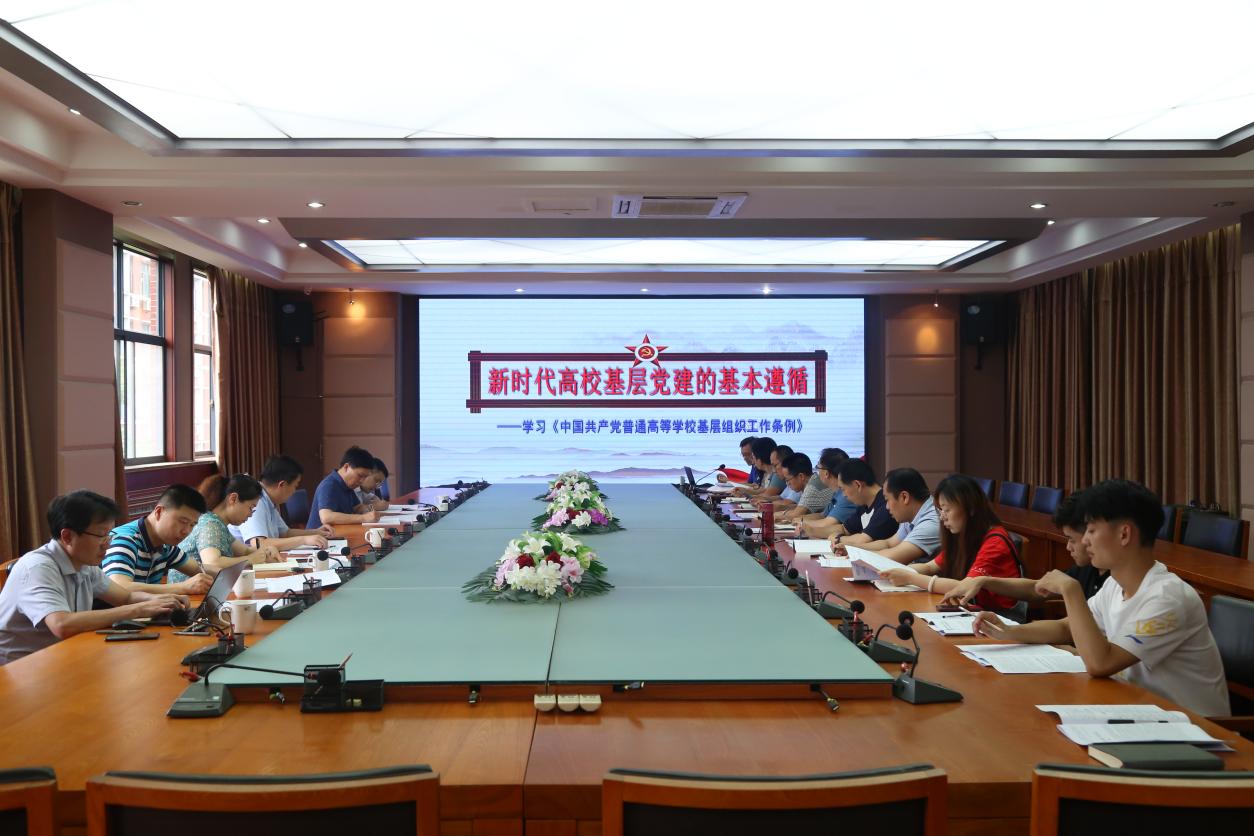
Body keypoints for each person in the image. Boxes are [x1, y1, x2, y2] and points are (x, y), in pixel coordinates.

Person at [973, 480, 1229, 717]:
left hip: (1194, 730)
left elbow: (1101, 663)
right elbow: (1066, 627)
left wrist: (1070, 590)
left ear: (1124, 534)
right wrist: (1008, 631)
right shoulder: (1114, 586)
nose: (1085, 540)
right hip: (1141, 712)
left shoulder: (1168, 598)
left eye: (1092, 530)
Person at [0, 491, 187, 665]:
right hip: (19, 670)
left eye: (109, 535)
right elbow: (62, 624)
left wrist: (163, 601)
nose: (107, 544)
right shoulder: (38, 568)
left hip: (62, 658)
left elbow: (126, 597)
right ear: (67, 536)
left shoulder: (84, 564)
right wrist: (138, 610)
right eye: (101, 535)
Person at [879, 474, 1022, 617]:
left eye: (947, 510)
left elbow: (964, 588)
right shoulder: (965, 535)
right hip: (975, 610)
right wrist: (897, 572)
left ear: (971, 508)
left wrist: (910, 578)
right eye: (940, 510)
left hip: (1002, 617)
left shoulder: (995, 542)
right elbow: (930, 567)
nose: (942, 517)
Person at [940, 488, 1108, 607]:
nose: (1068, 547)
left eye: (1071, 539)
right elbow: (1036, 589)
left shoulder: (1113, 581)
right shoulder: (1085, 569)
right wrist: (984, 581)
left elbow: (1068, 628)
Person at [103, 485, 213, 594]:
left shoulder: (165, 545)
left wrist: (223, 575)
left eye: (192, 525)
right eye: (183, 522)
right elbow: (120, 586)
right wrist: (183, 587)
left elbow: (197, 569)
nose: (186, 531)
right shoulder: (125, 540)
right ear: (159, 512)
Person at [177, 474, 283, 574]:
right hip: (191, 587)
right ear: (233, 499)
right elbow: (212, 563)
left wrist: (266, 550)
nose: (251, 515)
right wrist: (249, 559)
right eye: (251, 508)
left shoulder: (219, 524)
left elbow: (246, 551)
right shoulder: (210, 524)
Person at [232, 455, 335, 551]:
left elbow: (285, 533)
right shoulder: (256, 501)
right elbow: (259, 544)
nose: (294, 491)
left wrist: (316, 532)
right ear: (282, 485)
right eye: (295, 486)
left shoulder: (268, 499)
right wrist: (303, 540)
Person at [854, 467, 942, 564]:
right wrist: (852, 548)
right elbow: (888, 544)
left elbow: (893, 556)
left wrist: (855, 555)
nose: (887, 507)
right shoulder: (912, 513)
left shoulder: (931, 522)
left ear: (904, 497)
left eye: (887, 499)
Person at [827, 459, 899, 546]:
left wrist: (838, 538)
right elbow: (845, 529)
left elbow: (862, 540)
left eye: (843, 489)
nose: (844, 495)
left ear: (857, 485)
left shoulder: (886, 505)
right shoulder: (864, 504)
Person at [307, 446, 383, 527]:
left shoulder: (348, 485)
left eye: (365, 477)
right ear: (346, 467)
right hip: (320, 534)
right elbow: (326, 517)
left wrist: (369, 510)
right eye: (360, 475)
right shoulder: (329, 484)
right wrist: (363, 518)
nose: (362, 481)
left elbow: (357, 508)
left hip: (339, 531)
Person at [796, 448, 856, 539]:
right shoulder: (837, 493)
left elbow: (827, 523)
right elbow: (822, 515)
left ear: (827, 473)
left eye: (818, 468)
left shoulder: (846, 496)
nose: (817, 472)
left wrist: (802, 523)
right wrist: (800, 519)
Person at [778, 452, 835, 521]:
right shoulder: (813, 479)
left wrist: (775, 514)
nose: (787, 484)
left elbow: (796, 515)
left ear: (801, 476)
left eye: (787, 480)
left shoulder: (813, 487)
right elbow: (799, 507)